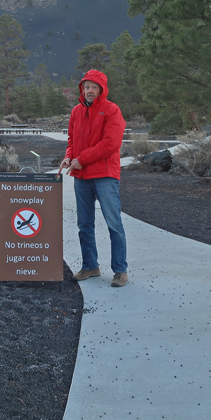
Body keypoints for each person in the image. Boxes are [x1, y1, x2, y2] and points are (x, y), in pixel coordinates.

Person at [59, 69, 128, 287]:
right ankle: (90, 266)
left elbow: (110, 144)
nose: (89, 90)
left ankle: (120, 270)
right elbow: (72, 140)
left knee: (113, 223)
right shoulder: (76, 111)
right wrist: (69, 157)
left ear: (101, 89)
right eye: (86, 87)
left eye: (94, 87)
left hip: (105, 175)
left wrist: (82, 159)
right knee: (84, 224)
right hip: (82, 176)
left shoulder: (112, 110)